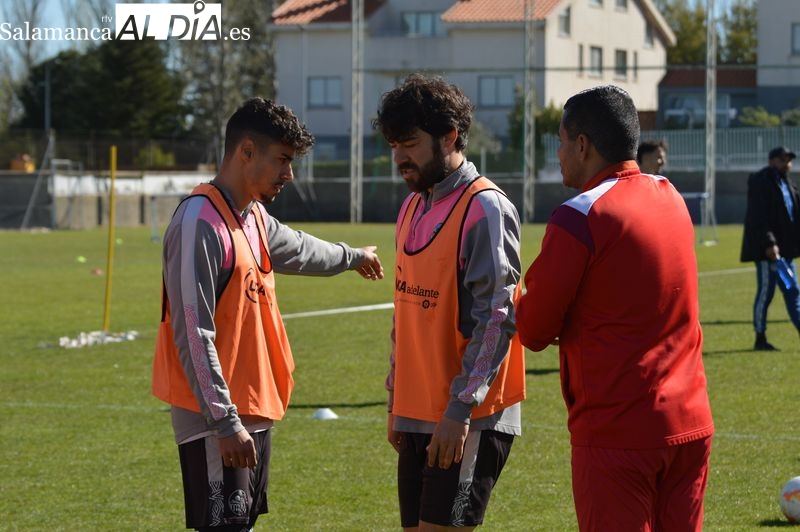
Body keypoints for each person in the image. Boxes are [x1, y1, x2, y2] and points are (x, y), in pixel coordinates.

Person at [152, 97, 384, 531]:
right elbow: (193, 332)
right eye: (282, 160)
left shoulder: (253, 216)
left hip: (250, 409)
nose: (289, 174)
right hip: (216, 419)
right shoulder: (199, 223)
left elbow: (301, 248)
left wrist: (352, 256)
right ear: (245, 152)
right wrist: (223, 421)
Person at [516, 85, 714, 532]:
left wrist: (510, 294)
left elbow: (533, 330)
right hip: (691, 421)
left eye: (562, 141)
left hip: (617, 432)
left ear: (582, 144)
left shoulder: (580, 215)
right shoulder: (671, 195)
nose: (560, 153)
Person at [373, 73, 526, 531]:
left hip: (469, 416)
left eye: (410, 144)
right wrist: (396, 401)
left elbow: (497, 318)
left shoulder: (486, 208)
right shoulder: (411, 205)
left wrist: (459, 409)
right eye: (393, 145)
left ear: (450, 136)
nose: (399, 157)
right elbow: (404, 313)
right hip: (417, 412)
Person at [740, 145, 800, 351]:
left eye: (789, 160)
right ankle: (760, 337)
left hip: (786, 252)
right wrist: (769, 243)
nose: (787, 164)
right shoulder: (762, 181)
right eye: (783, 160)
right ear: (772, 161)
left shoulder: (787, 184)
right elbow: (758, 216)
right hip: (768, 252)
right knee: (766, 293)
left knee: (793, 292)